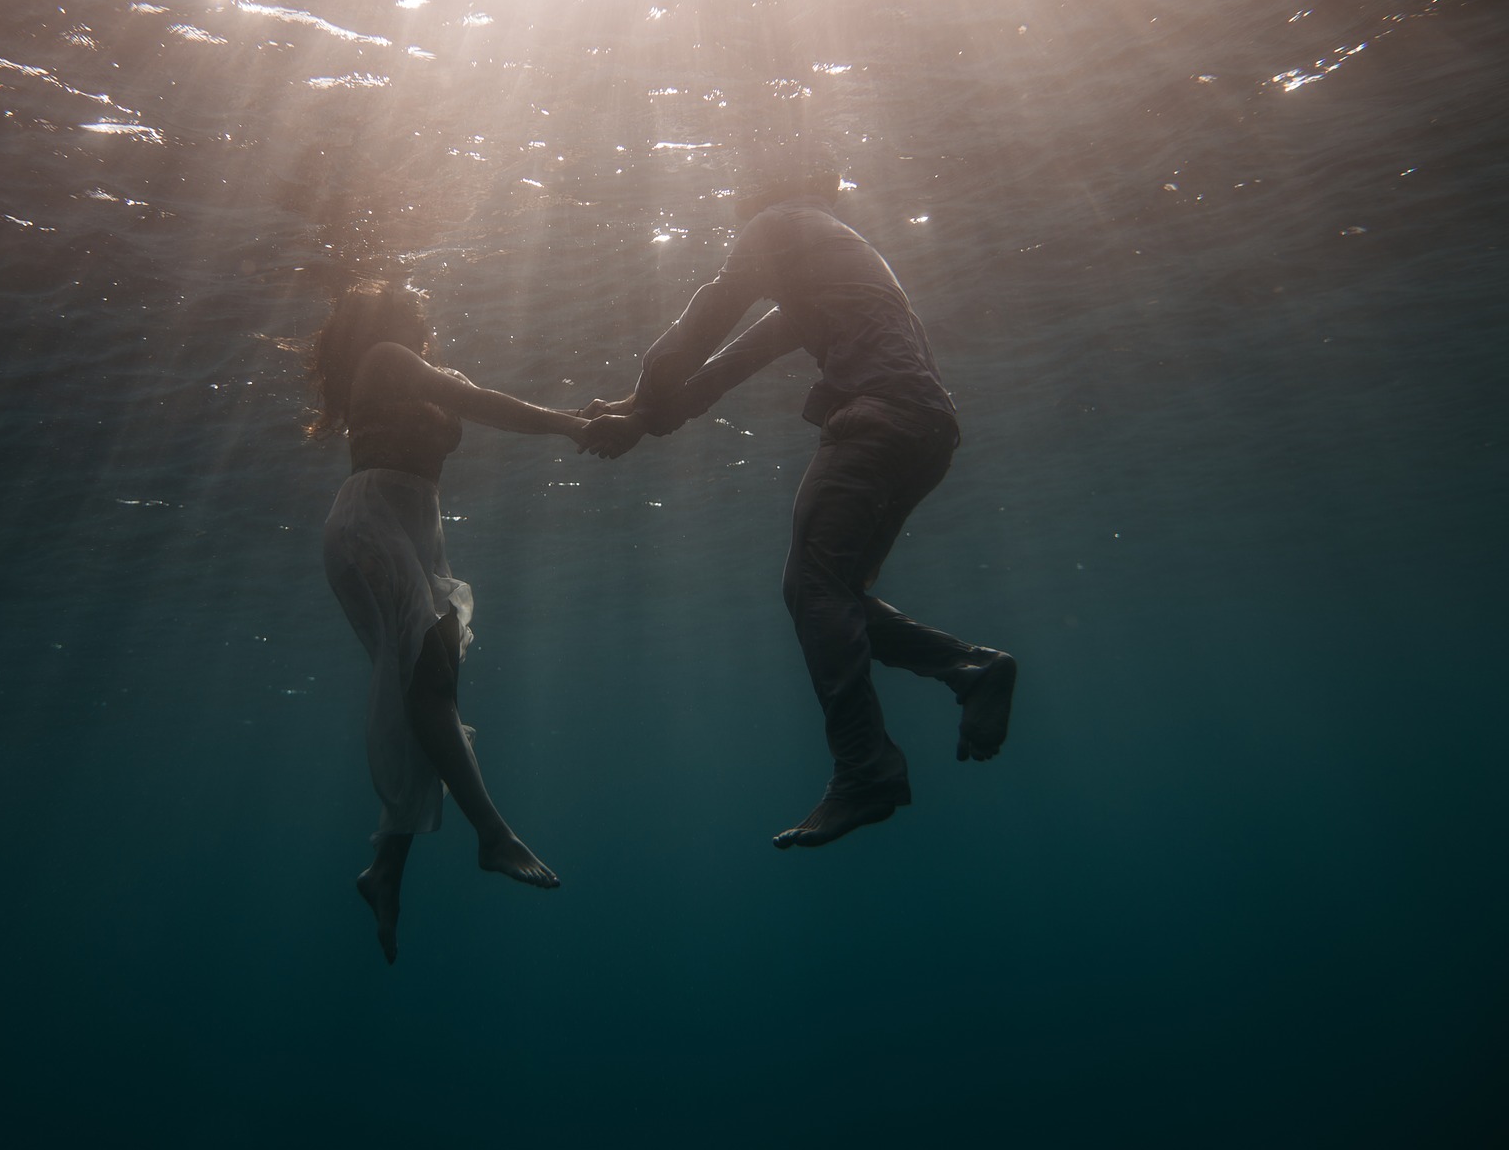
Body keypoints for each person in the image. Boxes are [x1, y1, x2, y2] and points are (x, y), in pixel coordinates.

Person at [581, 154, 1016, 850]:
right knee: (824, 590)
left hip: (875, 419)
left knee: (815, 588)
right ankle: (971, 668)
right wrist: (638, 415)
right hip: (928, 430)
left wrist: (639, 401)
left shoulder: (774, 224)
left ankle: (865, 765)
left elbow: (693, 336)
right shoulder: (831, 257)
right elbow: (722, 370)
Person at [307, 275, 584, 963]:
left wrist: (608, 413)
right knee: (427, 685)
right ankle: (491, 834)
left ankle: (385, 872)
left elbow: (470, 395)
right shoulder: (386, 359)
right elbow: (479, 402)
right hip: (373, 520)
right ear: (393, 316)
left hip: (411, 527)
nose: (421, 314)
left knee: (424, 693)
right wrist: (575, 423)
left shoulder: (413, 367)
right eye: (412, 307)